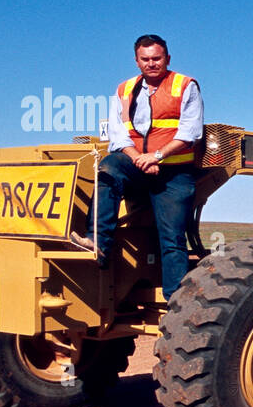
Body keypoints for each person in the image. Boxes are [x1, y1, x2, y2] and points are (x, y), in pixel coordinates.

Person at [72, 34, 204, 301]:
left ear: (167, 58)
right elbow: (118, 135)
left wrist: (156, 157)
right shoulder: (124, 90)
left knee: (172, 238)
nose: (151, 64)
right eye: (145, 59)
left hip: (174, 172)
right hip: (136, 163)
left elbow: (191, 132)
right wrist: (139, 159)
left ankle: (175, 303)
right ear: (136, 61)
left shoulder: (185, 86)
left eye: (157, 58)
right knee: (109, 169)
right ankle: (98, 243)